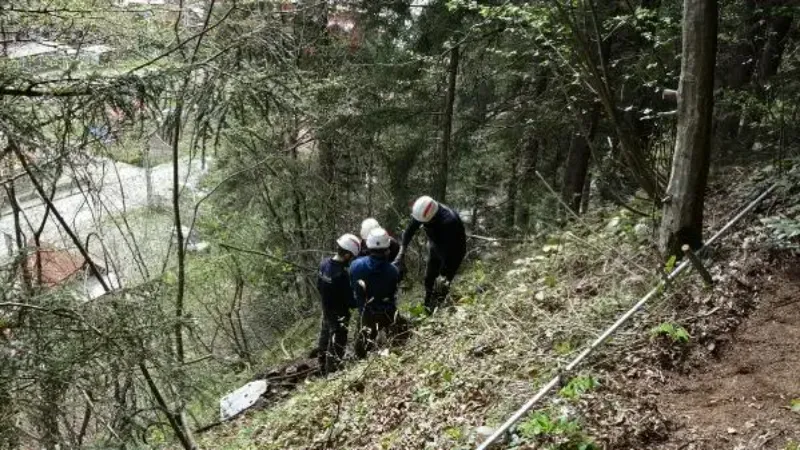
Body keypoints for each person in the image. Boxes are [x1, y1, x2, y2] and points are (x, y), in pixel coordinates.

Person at [394, 195, 466, 314]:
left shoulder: (449, 222)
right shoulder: (424, 210)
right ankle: (427, 305)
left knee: (442, 282)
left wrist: (443, 272)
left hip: (453, 252)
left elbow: (449, 254)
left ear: (431, 218)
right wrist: (401, 252)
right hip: (436, 246)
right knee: (429, 278)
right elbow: (409, 231)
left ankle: (436, 310)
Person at [350, 227, 409, 359]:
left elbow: (353, 286)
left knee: (362, 349)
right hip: (388, 313)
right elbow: (393, 289)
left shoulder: (355, 265)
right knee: (402, 331)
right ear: (387, 248)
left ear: (368, 246)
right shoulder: (393, 271)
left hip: (366, 315)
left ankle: (361, 360)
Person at [316, 233, 361, 375]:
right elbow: (351, 302)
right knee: (338, 341)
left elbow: (318, 285)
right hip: (339, 313)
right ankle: (332, 372)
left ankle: (322, 364)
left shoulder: (324, 263)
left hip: (326, 308)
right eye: (352, 256)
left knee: (325, 335)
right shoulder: (341, 275)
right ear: (347, 255)